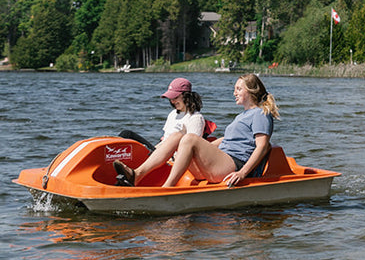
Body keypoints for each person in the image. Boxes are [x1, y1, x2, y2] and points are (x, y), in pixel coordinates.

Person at [117, 73, 279, 189]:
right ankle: (137, 174)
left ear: (251, 91)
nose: (234, 93)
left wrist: (242, 173)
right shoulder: (243, 115)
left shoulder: (260, 114)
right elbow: (227, 140)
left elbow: (262, 146)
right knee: (176, 137)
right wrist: (200, 146)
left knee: (189, 138)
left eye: (238, 89)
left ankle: (167, 188)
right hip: (221, 163)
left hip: (234, 165)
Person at [115, 77, 211, 186]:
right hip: (161, 150)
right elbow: (164, 139)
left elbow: (193, 148)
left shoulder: (195, 118)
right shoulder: (173, 114)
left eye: (175, 97)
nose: (172, 101)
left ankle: (133, 175)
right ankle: (119, 171)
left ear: (187, 96)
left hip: (173, 156)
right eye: (170, 98)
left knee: (176, 136)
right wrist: (151, 151)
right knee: (126, 134)